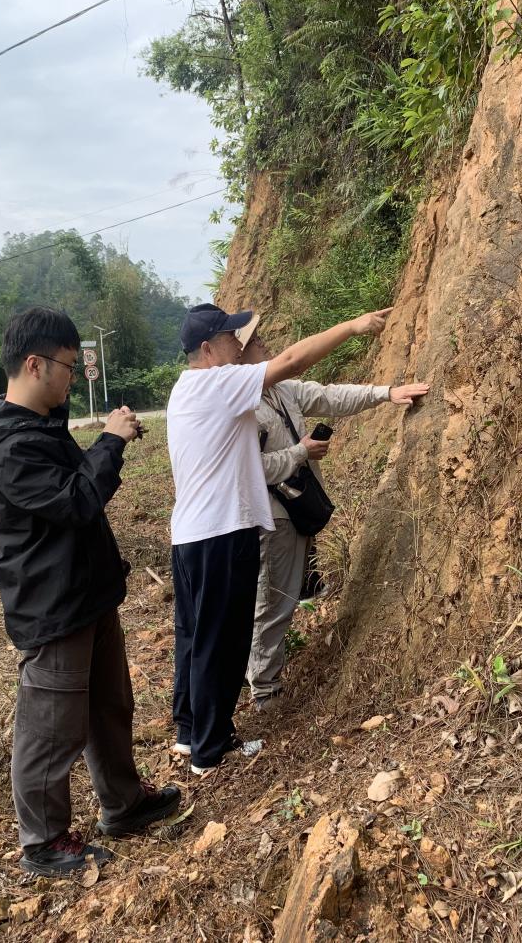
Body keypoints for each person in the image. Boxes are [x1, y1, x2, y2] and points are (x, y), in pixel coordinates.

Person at [0, 305, 181, 877]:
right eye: (67, 365)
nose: (74, 376)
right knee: (52, 727)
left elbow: (73, 485)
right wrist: (109, 442)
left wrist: (109, 441)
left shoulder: (38, 426)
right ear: (35, 365)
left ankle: (124, 803)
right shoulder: (9, 445)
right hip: (52, 605)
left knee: (110, 707)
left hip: (87, 594)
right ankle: (42, 841)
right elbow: (76, 500)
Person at [166, 301, 392, 775]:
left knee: (194, 636)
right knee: (222, 640)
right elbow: (290, 361)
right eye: (230, 338)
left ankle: (190, 734)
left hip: (191, 534)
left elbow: (310, 390)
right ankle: (211, 748)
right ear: (208, 349)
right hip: (221, 532)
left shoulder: (188, 389)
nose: (239, 345)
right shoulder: (217, 383)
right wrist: (351, 326)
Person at [236, 317, 429, 711]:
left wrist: (386, 393)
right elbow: (250, 469)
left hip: (295, 509)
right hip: (272, 516)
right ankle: (264, 691)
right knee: (273, 602)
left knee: (279, 596)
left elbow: (329, 396)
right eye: (255, 340)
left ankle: (258, 676)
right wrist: (301, 452)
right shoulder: (243, 404)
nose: (264, 342)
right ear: (237, 356)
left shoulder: (280, 390)